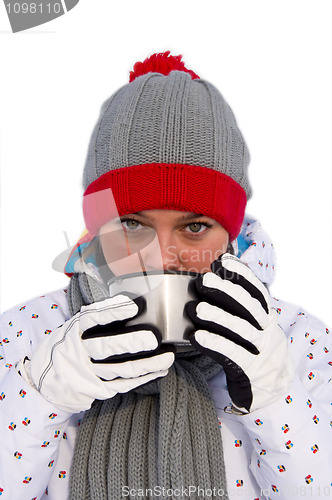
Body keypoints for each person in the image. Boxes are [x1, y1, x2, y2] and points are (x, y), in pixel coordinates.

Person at [0, 51, 331, 500]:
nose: (160, 257)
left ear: (231, 236)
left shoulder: (300, 341)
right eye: (131, 225)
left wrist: (275, 402)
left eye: (194, 227)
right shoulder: (25, 335)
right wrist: (41, 398)